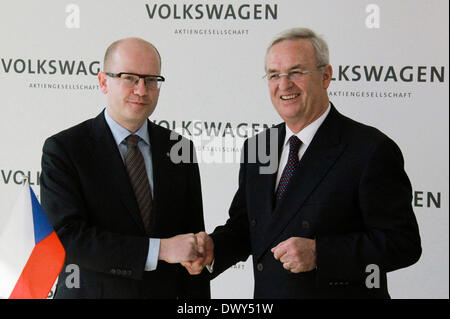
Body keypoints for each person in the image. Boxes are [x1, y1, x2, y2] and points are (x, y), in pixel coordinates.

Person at [183, 27, 422, 298]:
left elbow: (403, 243)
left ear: (326, 76)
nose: (284, 85)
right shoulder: (258, 147)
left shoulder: (369, 149)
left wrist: (320, 253)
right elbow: (247, 226)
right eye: (274, 75)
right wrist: (216, 248)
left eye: (296, 72)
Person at [40, 37, 210, 298]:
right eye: (129, 77)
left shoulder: (179, 148)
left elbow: (192, 245)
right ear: (103, 81)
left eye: (151, 80)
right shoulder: (65, 149)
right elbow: (69, 239)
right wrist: (160, 249)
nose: (142, 90)